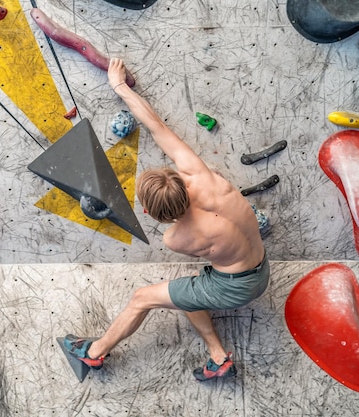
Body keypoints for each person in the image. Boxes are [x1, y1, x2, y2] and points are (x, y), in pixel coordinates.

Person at [63, 58, 270, 381]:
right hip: (260, 266)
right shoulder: (202, 176)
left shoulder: (176, 238)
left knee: (142, 298)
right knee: (183, 293)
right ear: (177, 178)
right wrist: (119, 86)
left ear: (151, 214)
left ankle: (93, 353)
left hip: (236, 287)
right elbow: (157, 126)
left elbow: (191, 233)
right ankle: (218, 357)